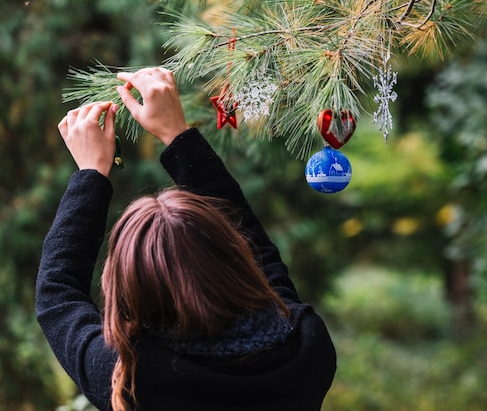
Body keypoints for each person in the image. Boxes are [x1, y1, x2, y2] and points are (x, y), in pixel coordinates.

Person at [36, 67, 336, 411]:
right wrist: (178, 135)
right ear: (232, 255)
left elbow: (57, 295)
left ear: (130, 284)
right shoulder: (303, 346)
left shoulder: (130, 376)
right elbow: (261, 258)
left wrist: (91, 172)